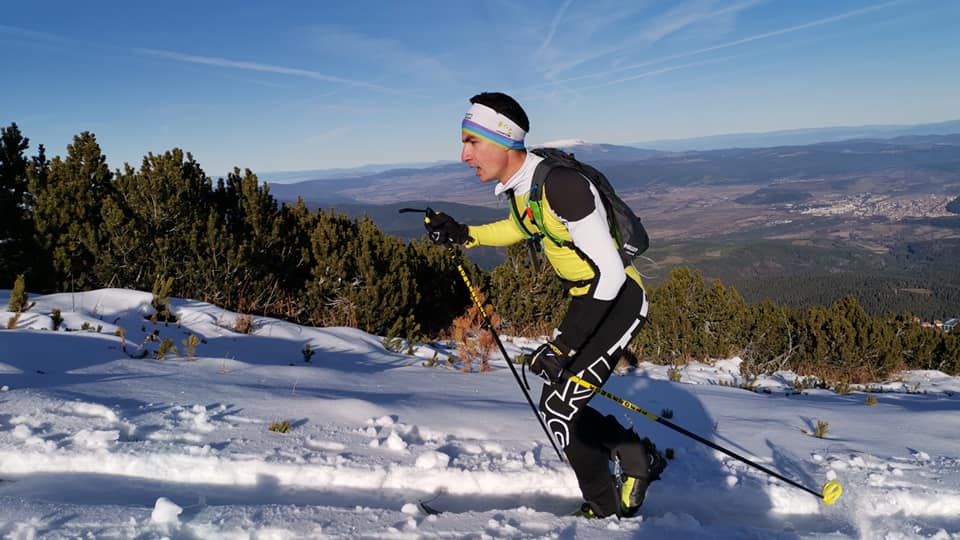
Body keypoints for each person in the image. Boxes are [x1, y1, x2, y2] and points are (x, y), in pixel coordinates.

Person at [424, 91, 665, 518]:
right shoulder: (525, 187)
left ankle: (607, 511)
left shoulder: (562, 186)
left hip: (618, 301)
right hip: (588, 301)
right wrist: (465, 234)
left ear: (502, 140)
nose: (463, 155)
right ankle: (633, 455)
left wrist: (564, 345)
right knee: (560, 403)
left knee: (558, 408)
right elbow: (518, 228)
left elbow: (610, 275)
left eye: (472, 141)